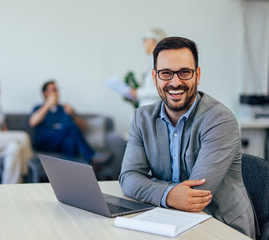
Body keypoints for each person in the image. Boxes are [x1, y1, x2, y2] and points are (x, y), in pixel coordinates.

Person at [119, 37, 256, 238]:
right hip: (169, 219)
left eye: (184, 72)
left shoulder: (219, 119)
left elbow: (196, 195)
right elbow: (128, 178)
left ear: (197, 75)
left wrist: (150, 186)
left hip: (221, 225)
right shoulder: (142, 118)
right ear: (155, 77)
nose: (175, 82)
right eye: (166, 73)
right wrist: (169, 195)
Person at [29, 81, 109, 166]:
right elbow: (32, 122)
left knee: (69, 142)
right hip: (45, 143)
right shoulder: (38, 108)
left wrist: (73, 114)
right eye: (53, 90)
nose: (57, 93)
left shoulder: (64, 109)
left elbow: (83, 128)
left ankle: (74, 173)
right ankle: (92, 156)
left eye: (57, 90)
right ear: (45, 93)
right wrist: (48, 104)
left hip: (61, 143)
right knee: (70, 127)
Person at [129, 28, 166, 107]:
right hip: (147, 109)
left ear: (152, 41)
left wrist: (138, 93)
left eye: (145, 40)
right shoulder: (152, 60)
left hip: (154, 110)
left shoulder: (161, 62)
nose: (143, 43)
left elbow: (163, 90)